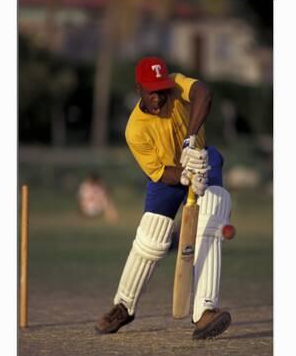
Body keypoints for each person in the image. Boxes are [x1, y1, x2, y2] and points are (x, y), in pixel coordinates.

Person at [95, 56, 232, 340]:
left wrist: (191, 140)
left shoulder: (178, 85)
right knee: (151, 239)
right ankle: (124, 305)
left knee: (212, 223)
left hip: (203, 161)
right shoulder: (135, 129)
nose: (159, 96)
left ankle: (205, 310)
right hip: (169, 176)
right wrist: (184, 176)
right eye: (152, 91)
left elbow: (204, 93)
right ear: (139, 90)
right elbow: (158, 172)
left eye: (163, 89)